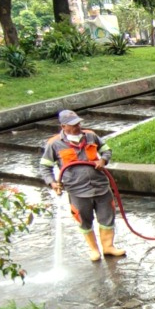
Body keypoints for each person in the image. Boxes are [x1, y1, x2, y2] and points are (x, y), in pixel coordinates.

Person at [39, 110, 126, 262]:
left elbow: (106, 150)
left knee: (107, 217)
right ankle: (94, 249)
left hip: (100, 185)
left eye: (78, 123)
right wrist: (52, 182)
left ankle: (108, 247)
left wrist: (103, 160)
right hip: (77, 190)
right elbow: (45, 166)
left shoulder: (91, 136)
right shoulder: (54, 144)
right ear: (63, 126)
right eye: (73, 125)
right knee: (84, 220)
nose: (77, 127)